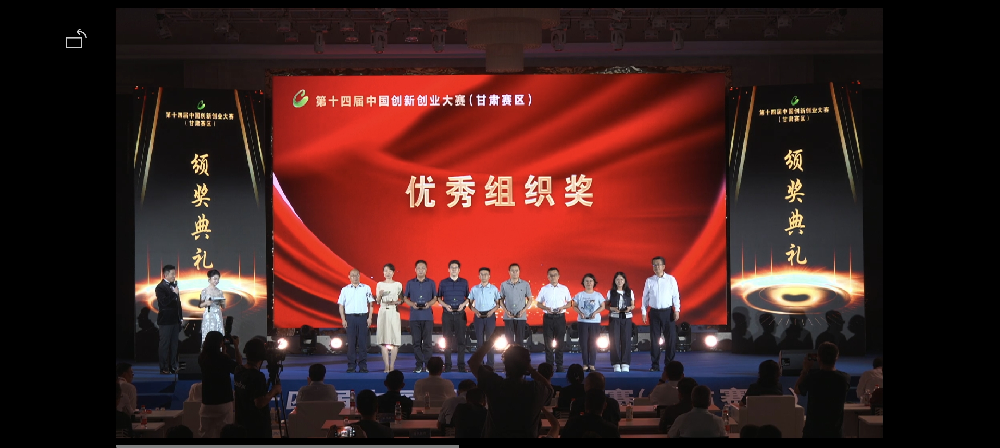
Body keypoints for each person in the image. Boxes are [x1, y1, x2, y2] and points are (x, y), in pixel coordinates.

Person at [470, 327, 553, 438]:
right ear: (527, 365)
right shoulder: (535, 389)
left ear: (505, 365)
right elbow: (549, 388)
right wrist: (530, 369)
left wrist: (492, 339)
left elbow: (473, 362)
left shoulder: (496, 385)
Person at [794, 341, 851, 438]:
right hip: (834, 433)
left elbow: (797, 390)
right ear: (836, 357)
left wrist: (805, 370)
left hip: (813, 432)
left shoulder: (812, 377)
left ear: (818, 358)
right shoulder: (845, 378)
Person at [198, 330, 242, 438]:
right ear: (219, 343)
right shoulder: (223, 358)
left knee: (205, 434)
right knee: (226, 433)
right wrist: (236, 347)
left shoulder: (202, 358)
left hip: (207, 402)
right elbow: (239, 367)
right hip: (223, 401)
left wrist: (223, 351)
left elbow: (216, 360)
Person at [234, 338, 282, 438]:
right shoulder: (257, 376)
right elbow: (259, 403)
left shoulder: (238, 370)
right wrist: (274, 390)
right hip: (256, 428)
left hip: (241, 423)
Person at [641, 256, 680, 372]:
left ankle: (669, 365)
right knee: (654, 340)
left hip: (668, 312)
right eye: (654, 265)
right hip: (654, 313)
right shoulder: (649, 281)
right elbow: (645, 297)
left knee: (671, 339)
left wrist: (677, 310)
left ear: (664, 266)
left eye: (658, 265)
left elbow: (676, 296)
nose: (656, 267)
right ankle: (655, 365)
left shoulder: (671, 279)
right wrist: (644, 312)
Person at [535, 267, 572, 372]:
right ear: (548, 277)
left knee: (560, 343)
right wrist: (546, 308)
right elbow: (538, 303)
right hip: (548, 318)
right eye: (551, 275)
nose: (553, 277)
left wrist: (563, 307)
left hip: (560, 317)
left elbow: (570, 303)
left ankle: (559, 365)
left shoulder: (564, 288)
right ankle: (549, 366)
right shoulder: (544, 289)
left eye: (555, 275)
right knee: (548, 344)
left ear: (558, 276)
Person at [404, 260, 437, 373]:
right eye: (419, 268)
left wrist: (429, 304)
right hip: (414, 317)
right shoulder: (410, 283)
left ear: (426, 270)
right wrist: (412, 304)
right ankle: (418, 364)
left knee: (427, 343)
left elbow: (435, 298)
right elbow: (405, 298)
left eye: (423, 268)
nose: (421, 270)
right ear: (415, 270)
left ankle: (428, 365)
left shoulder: (431, 283)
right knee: (416, 342)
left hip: (427, 317)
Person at [339, 268, 374, 373]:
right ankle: (351, 366)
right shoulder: (345, 289)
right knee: (351, 343)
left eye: (357, 275)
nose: (355, 277)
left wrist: (370, 317)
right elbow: (341, 305)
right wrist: (343, 319)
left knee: (363, 343)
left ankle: (363, 366)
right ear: (349, 277)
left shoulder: (366, 288)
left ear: (359, 276)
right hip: (350, 318)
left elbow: (371, 304)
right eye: (352, 275)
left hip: (363, 317)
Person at [438, 260, 471, 372]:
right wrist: (445, 306)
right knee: (447, 340)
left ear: (459, 270)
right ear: (448, 269)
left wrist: (463, 305)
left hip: (460, 315)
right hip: (447, 314)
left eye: (456, 267)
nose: (454, 269)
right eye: (452, 267)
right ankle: (448, 365)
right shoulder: (443, 282)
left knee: (461, 341)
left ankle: (461, 365)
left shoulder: (464, 282)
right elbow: (438, 298)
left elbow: (468, 297)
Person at [469, 267, 501, 369]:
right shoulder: (474, 289)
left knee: (490, 341)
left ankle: (490, 364)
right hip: (478, 315)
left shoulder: (494, 289)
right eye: (482, 274)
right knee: (480, 342)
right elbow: (469, 304)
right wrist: (475, 311)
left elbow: (498, 303)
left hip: (490, 316)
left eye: (486, 274)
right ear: (479, 276)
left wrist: (491, 312)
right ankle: (480, 364)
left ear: (489, 276)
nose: (484, 276)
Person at [573, 273, 605, 372]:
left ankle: (592, 364)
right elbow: (574, 306)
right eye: (586, 281)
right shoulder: (579, 295)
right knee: (584, 343)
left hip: (594, 322)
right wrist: (580, 313)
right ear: (583, 283)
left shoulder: (598, 295)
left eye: (591, 281)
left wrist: (595, 313)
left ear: (594, 283)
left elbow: (603, 306)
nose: (589, 283)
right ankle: (585, 364)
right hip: (582, 322)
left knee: (593, 343)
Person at [376, 263, 403, 373]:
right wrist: (380, 295)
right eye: (385, 271)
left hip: (393, 311)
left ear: (393, 272)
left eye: (390, 271)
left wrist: (395, 302)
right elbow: (377, 301)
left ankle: (392, 365)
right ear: (383, 272)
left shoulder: (398, 285)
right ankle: (386, 365)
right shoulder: (379, 284)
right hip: (383, 311)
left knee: (395, 340)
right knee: (383, 340)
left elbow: (402, 300)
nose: (387, 273)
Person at [156, 264, 183, 374]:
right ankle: (163, 367)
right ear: (166, 275)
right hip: (165, 321)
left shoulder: (174, 286)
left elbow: (178, 304)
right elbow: (164, 302)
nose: (174, 276)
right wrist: (173, 293)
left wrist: (180, 317)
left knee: (174, 345)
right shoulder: (160, 287)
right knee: (164, 345)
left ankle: (173, 366)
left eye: (174, 274)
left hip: (175, 320)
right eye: (172, 274)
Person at [607, 272, 636, 372]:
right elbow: (606, 305)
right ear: (614, 281)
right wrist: (612, 308)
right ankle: (616, 363)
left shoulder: (629, 292)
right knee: (614, 341)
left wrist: (630, 308)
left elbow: (633, 305)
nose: (619, 281)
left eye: (621, 279)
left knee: (626, 340)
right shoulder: (611, 292)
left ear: (624, 281)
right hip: (614, 318)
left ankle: (625, 363)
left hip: (626, 318)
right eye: (617, 279)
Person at [499, 263, 532, 349]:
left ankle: (519, 357)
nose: (514, 273)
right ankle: (509, 356)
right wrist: (506, 311)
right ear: (509, 272)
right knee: (509, 341)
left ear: (519, 272)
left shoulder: (525, 284)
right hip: (508, 317)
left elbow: (530, 299)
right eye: (512, 271)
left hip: (521, 317)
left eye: (516, 271)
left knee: (520, 341)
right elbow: (500, 300)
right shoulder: (504, 284)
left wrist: (523, 311)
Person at [199, 269, 226, 345]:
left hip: (218, 315)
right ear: (209, 279)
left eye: (218, 279)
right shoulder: (205, 291)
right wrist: (206, 303)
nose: (216, 281)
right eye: (215, 279)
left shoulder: (220, 291)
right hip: (209, 314)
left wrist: (223, 302)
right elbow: (200, 305)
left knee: (218, 332)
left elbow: (223, 306)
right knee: (208, 332)